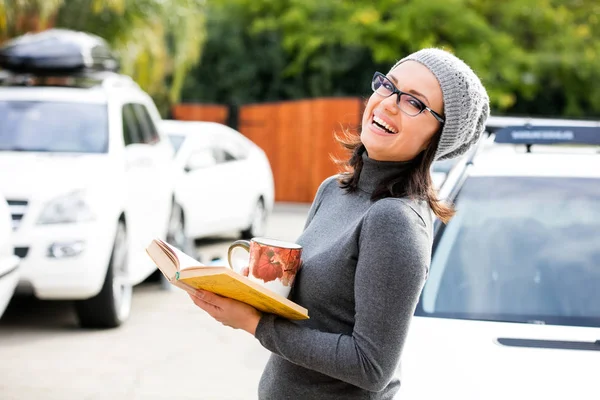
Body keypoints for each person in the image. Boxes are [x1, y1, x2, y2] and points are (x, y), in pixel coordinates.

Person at [188, 47, 490, 399]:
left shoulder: (394, 220)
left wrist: (253, 324)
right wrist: (249, 290)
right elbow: (317, 311)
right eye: (389, 86)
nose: (390, 103)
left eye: (414, 103)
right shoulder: (333, 191)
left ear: (436, 138)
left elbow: (371, 366)